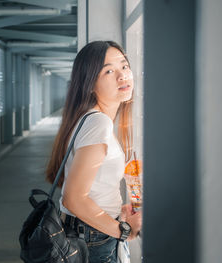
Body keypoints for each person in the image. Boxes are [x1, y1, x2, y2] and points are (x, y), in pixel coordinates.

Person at [46, 40, 142, 263]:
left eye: (124, 66)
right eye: (109, 71)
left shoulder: (91, 119)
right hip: (93, 236)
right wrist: (123, 231)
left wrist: (117, 210)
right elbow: (73, 198)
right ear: (89, 84)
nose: (122, 75)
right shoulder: (98, 123)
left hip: (90, 229)